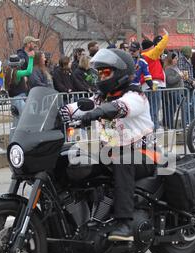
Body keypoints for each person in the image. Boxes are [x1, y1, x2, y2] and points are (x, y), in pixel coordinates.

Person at [62, 48, 155, 241]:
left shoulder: (136, 96)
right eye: (100, 73)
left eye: (106, 73)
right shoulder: (100, 97)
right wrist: (58, 113)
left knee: (124, 160)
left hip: (145, 154)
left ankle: (125, 223)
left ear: (120, 73)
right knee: (72, 158)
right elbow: (79, 107)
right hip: (110, 152)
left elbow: (120, 107)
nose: (101, 77)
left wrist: (98, 112)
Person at [141, 29, 169, 129]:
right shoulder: (151, 54)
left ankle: (152, 128)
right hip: (154, 84)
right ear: (151, 48)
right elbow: (160, 47)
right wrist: (166, 36)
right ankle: (154, 128)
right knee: (155, 108)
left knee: (150, 108)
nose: (155, 47)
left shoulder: (141, 56)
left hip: (146, 85)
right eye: (153, 46)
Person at [5, 53, 34, 137]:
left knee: (16, 122)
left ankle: (13, 139)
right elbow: (29, 71)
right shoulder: (17, 73)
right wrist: (31, 58)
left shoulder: (9, 73)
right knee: (26, 118)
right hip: (19, 100)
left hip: (14, 100)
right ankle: (22, 138)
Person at [164, 52, 184, 129]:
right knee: (171, 109)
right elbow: (170, 80)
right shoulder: (168, 69)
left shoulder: (175, 67)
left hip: (177, 91)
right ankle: (170, 125)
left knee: (173, 109)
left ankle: (170, 125)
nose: (177, 60)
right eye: (175, 58)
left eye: (177, 58)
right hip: (172, 92)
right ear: (170, 59)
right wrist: (179, 76)